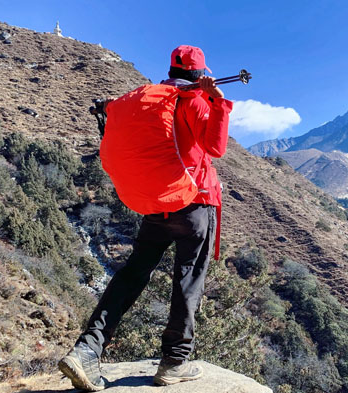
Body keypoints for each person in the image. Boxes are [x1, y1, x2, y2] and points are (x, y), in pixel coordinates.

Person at [58, 45, 233, 391]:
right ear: (200, 74)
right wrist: (218, 103)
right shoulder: (193, 100)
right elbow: (215, 148)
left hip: (157, 204)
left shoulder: (150, 98)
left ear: (172, 69)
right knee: (187, 282)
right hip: (195, 203)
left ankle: (88, 348)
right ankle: (173, 362)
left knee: (133, 273)